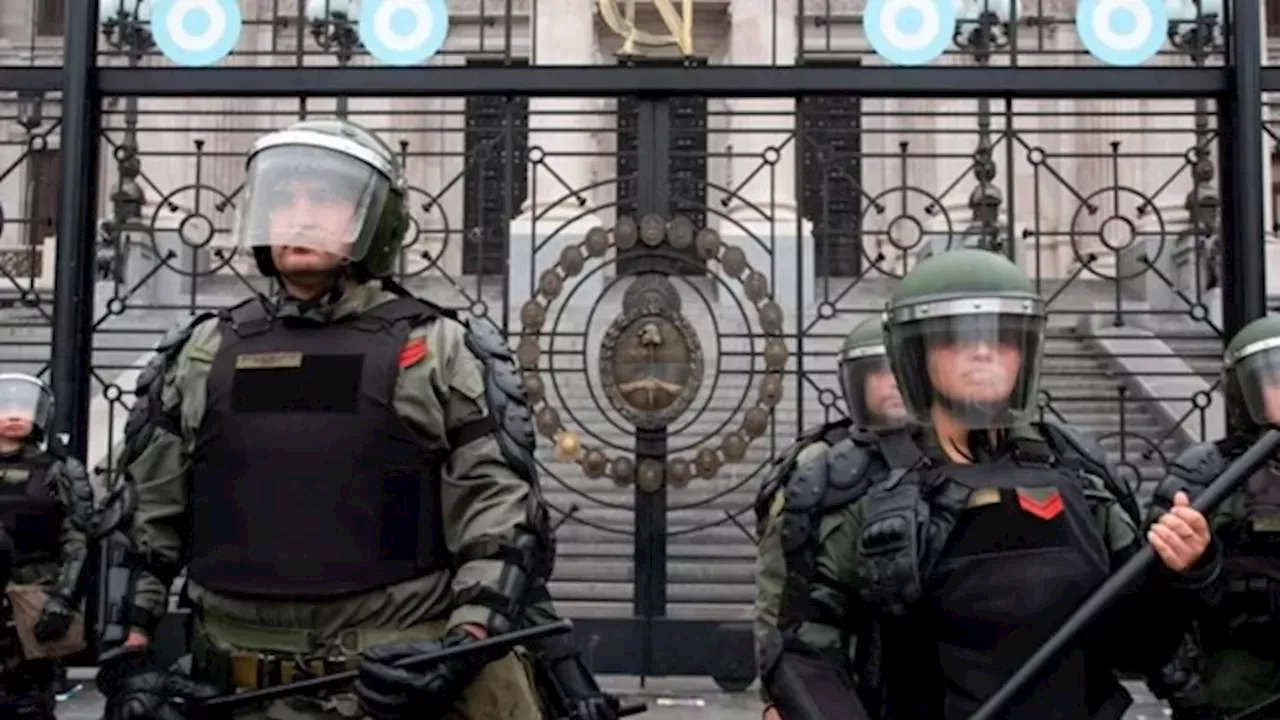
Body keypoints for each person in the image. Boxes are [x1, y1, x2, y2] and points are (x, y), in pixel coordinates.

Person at [95, 119, 616, 720]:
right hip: (231, 690)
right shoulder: (202, 353)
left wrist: (460, 650)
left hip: (400, 684)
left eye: (325, 198)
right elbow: (146, 516)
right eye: (284, 197)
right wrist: (130, 661)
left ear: (375, 220)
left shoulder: (438, 350)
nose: (299, 214)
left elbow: (497, 510)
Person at [756, 248, 1220, 720]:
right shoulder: (853, 483)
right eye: (956, 341)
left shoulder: (1078, 470)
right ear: (914, 354)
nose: (983, 351)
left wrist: (1178, 572)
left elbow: (1135, 647)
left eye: (1003, 340)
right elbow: (804, 654)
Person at [753, 317, 907, 681]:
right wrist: (780, 687)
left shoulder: (962, 455)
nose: (894, 384)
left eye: (902, 369)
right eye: (879, 373)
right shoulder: (818, 469)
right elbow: (779, 592)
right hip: (841, 666)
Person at [1147, 313, 1280, 720]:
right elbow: (1149, 607)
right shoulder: (1207, 475)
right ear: (1247, 391)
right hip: (1237, 695)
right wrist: (1185, 692)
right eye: (1276, 380)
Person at [0, 373, 95, 719]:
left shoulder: (58, 470)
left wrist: (64, 598)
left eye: (22, 408)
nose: (14, 415)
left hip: (34, 594)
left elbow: (78, 538)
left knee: (30, 700)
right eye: (5, 407)